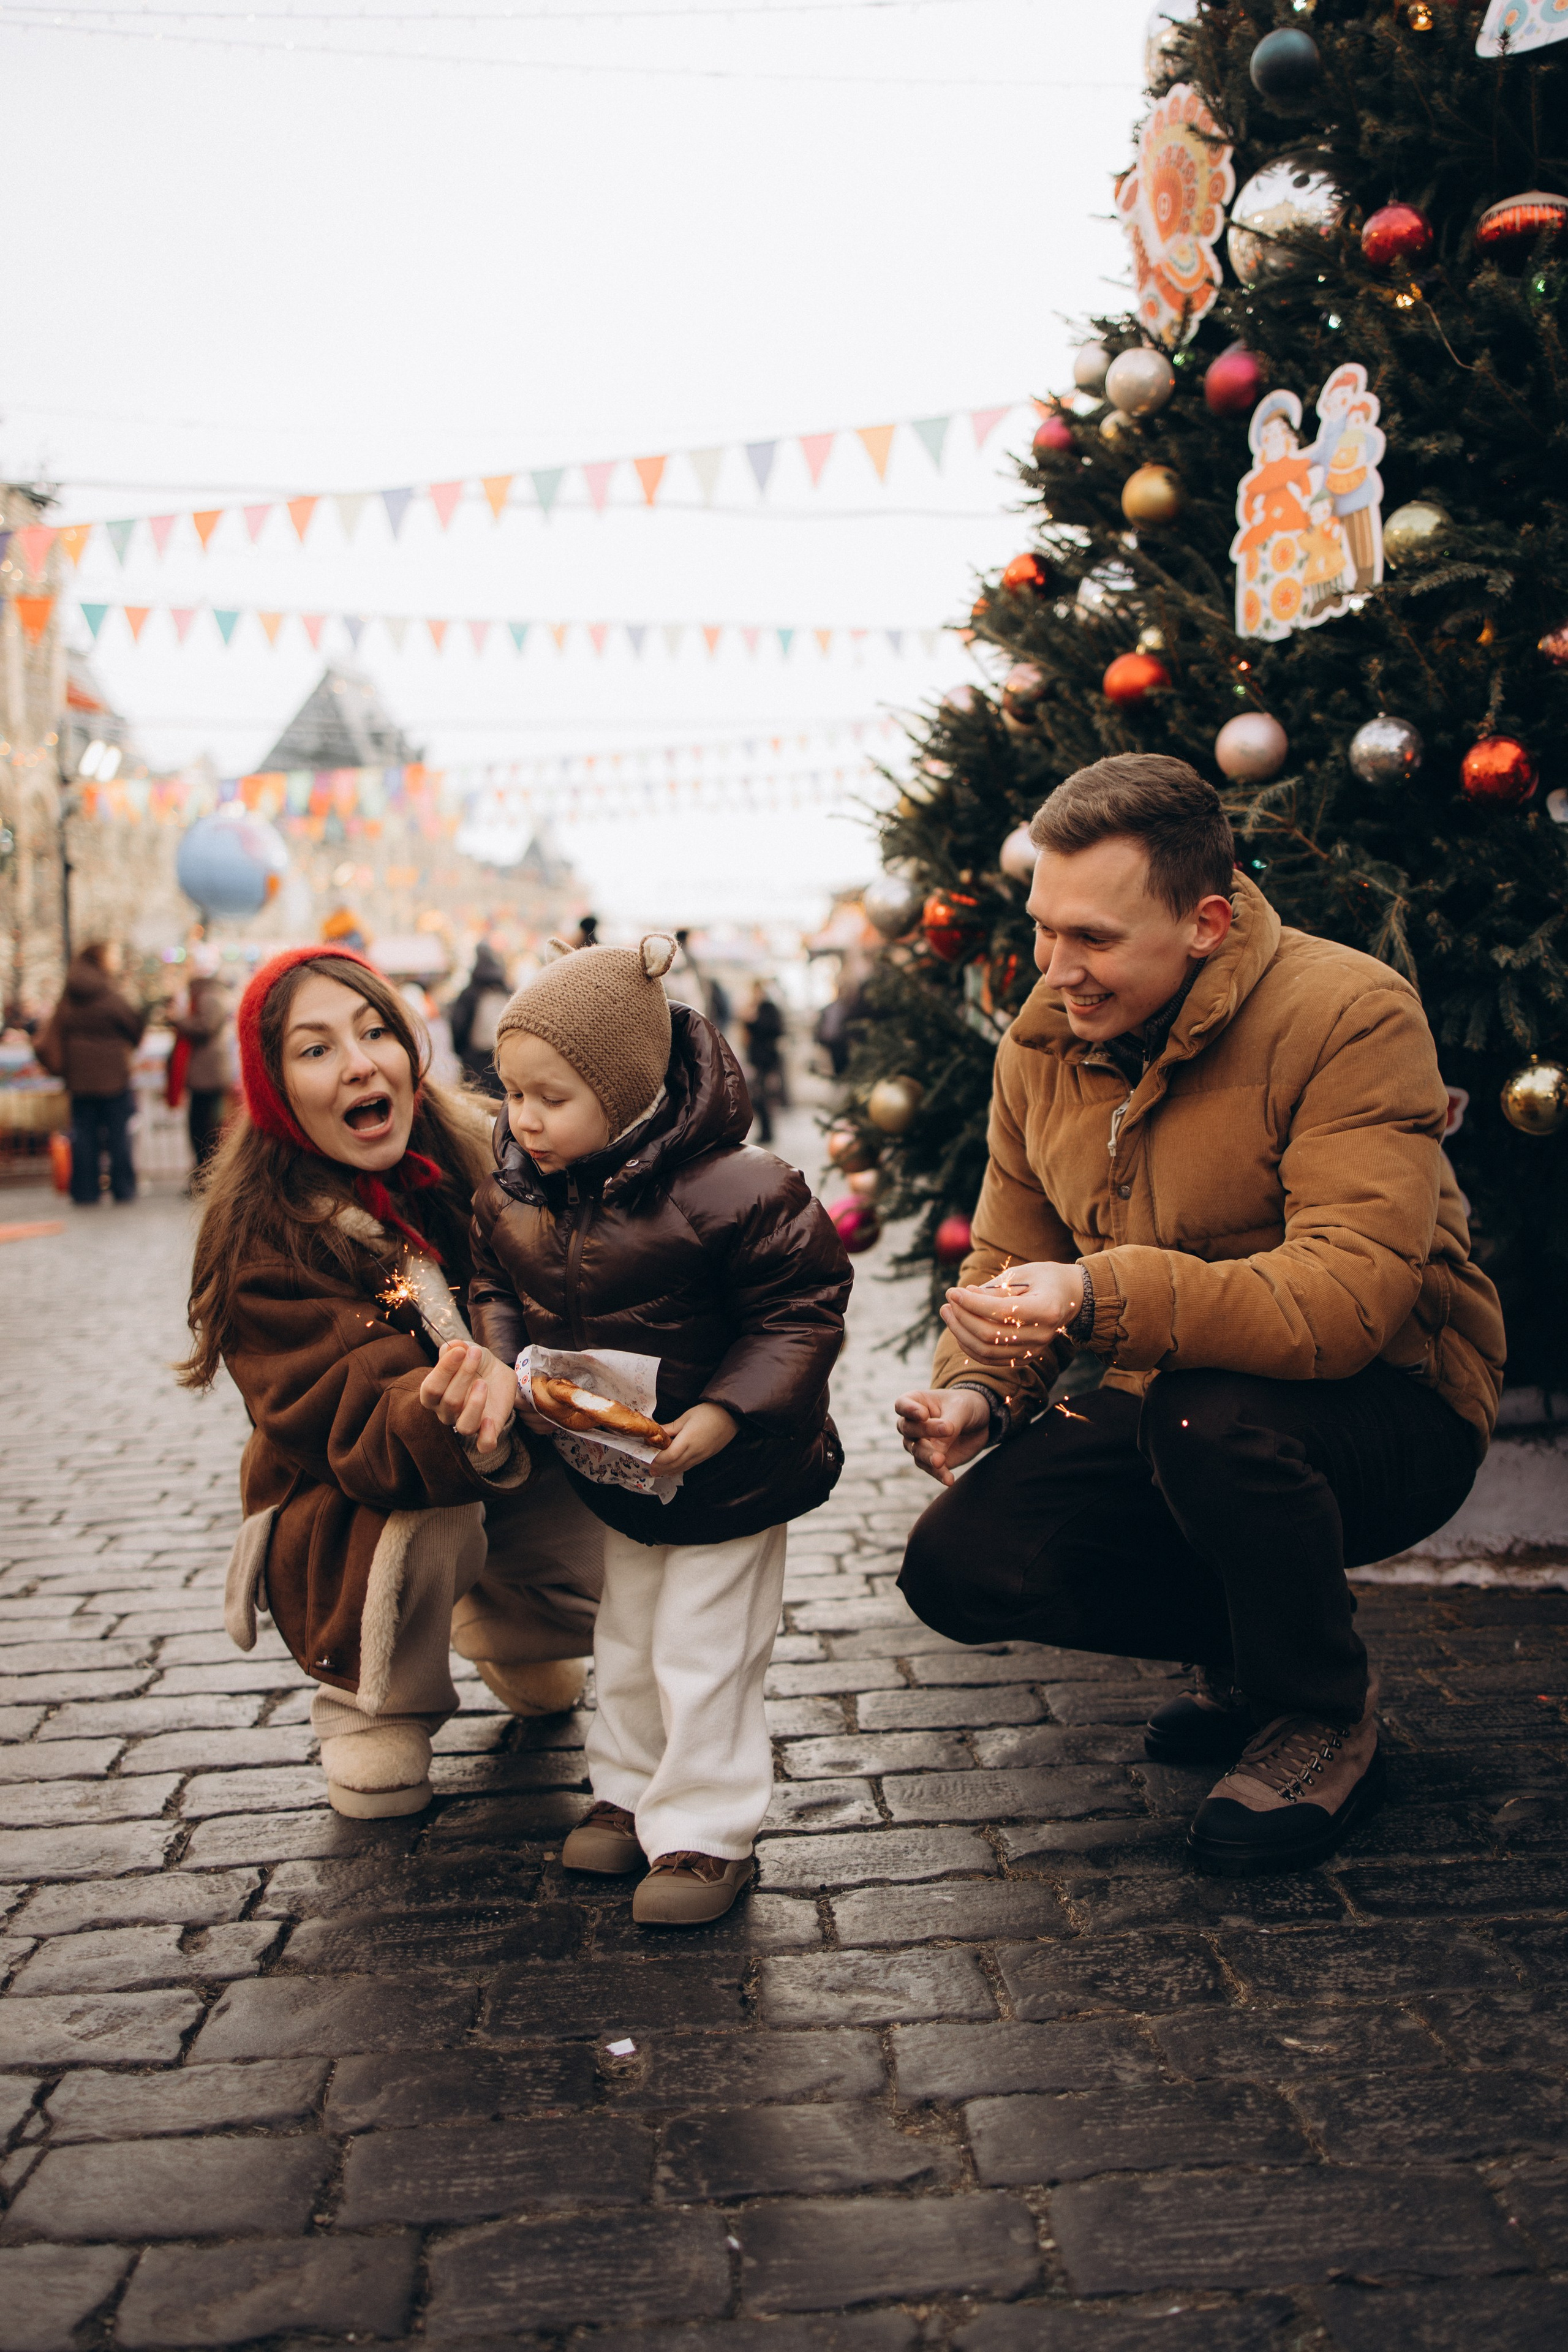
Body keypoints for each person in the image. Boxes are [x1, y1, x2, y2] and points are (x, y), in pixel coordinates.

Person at [893, 755, 1504, 1877]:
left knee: (1207, 1413)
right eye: (1043, 928)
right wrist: (983, 1390)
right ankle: (1258, 1650)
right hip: (1169, 1393)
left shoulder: (1350, 1012)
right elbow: (1007, 1251)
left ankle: (1318, 1713)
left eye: (1094, 938)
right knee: (961, 1567)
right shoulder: (1042, 1044)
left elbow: (1348, 1301)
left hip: (1392, 1405)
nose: (1057, 970)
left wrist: (1096, 1294)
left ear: (1208, 922)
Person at [455, 932, 851, 1923]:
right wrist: (508, 1364)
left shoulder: (743, 1189)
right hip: (621, 1469)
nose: (526, 1121)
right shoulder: (519, 1191)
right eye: (513, 1093)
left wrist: (727, 1411)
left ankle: (706, 1832)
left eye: (555, 1097)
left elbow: (800, 1311)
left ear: (628, 1091)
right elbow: (495, 1284)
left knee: (705, 1646)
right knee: (627, 1636)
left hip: (735, 1474)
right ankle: (628, 1792)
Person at [178, 943, 603, 1819]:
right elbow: (361, 1420)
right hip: (349, 1507)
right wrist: (453, 1402)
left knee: (631, 1552)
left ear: (412, 1052)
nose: (360, 1062)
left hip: (515, 1459)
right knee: (427, 1507)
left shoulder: (486, 1154)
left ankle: (506, 1624)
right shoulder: (266, 1238)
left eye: (376, 1031)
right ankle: (373, 1699)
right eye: (316, 1047)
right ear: (275, 1088)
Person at [37, 942, 146, 1207]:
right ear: (101, 959)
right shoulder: (109, 993)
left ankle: (85, 1191)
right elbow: (133, 1026)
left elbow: (53, 1032)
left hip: (79, 1078)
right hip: (113, 1077)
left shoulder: (69, 996)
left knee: (84, 1136)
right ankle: (123, 1188)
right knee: (118, 1134)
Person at [174, 947, 235, 1170]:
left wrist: (179, 1021)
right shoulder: (207, 994)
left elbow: (206, 1026)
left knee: (205, 1128)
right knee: (201, 1127)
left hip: (208, 1073)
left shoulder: (209, 996)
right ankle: (203, 1171)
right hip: (206, 1071)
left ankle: (206, 1172)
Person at [448, 941, 511, 1096]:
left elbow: (458, 1026)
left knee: (477, 1104)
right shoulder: (506, 990)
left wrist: (461, 1052)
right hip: (502, 1058)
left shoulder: (470, 993)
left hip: (474, 1061)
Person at [741, 979, 786, 1145]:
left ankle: (768, 1132)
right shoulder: (755, 1008)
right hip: (757, 1059)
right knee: (758, 1095)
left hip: (767, 1060)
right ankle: (764, 1131)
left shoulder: (769, 1009)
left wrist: (753, 1021)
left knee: (764, 1096)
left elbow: (773, 1030)